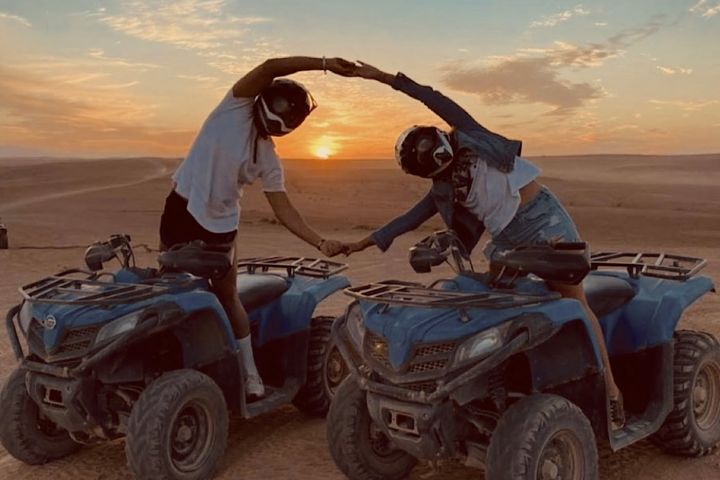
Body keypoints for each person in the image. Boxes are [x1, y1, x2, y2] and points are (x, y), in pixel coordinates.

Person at [344, 62, 625, 429]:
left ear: (441, 137)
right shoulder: (443, 189)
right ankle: (500, 384)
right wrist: (361, 243)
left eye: (435, 147)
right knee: (491, 302)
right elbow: (408, 219)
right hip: (505, 239)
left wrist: (381, 77)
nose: (438, 156)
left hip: (543, 221)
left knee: (574, 300)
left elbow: (432, 97)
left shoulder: (471, 135)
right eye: (428, 159)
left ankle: (611, 389)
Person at [159, 56, 356, 398]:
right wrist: (323, 63)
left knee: (226, 296)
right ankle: (168, 365)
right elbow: (269, 66)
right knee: (168, 288)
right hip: (182, 210)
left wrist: (319, 242)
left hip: (221, 229)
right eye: (281, 112)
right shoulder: (234, 107)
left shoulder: (268, 156)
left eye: (290, 120)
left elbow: (283, 208)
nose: (282, 122)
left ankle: (249, 374)